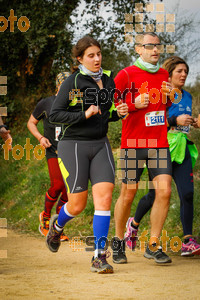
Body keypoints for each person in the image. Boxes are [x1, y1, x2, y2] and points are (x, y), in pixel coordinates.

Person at [46, 35, 128, 274]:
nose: (96, 59)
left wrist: (118, 113)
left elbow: (104, 114)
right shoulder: (73, 82)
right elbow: (55, 115)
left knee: (104, 199)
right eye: (90, 55)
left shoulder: (108, 81)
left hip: (101, 144)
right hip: (73, 146)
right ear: (80, 58)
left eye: (99, 54)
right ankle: (57, 226)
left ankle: (99, 256)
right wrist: (84, 115)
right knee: (77, 205)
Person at [125, 56, 200, 257]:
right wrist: (175, 120)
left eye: (186, 71)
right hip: (161, 146)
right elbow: (152, 119)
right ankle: (133, 225)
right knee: (154, 195)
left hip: (182, 148)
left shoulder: (188, 97)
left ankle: (187, 240)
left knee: (187, 193)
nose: (183, 75)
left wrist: (194, 123)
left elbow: (183, 123)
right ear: (169, 73)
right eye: (179, 71)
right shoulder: (162, 93)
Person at [113, 32, 173, 264]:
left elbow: (164, 105)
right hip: (133, 144)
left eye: (158, 46)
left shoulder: (164, 73)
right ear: (138, 49)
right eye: (149, 46)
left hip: (158, 143)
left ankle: (154, 245)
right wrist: (132, 104)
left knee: (164, 191)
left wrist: (169, 98)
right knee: (128, 194)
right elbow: (110, 102)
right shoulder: (126, 74)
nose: (155, 50)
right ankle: (118, 242)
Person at [27, 72, 70, 241]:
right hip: (53, 151)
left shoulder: (75, 104)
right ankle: (45, 217)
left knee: (69, 192)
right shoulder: (46, 103)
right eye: (65, 85)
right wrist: (40, 137)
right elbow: (31, 122)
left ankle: (57, 227)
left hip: (71, 152)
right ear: (58, 86)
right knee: (58, 185)